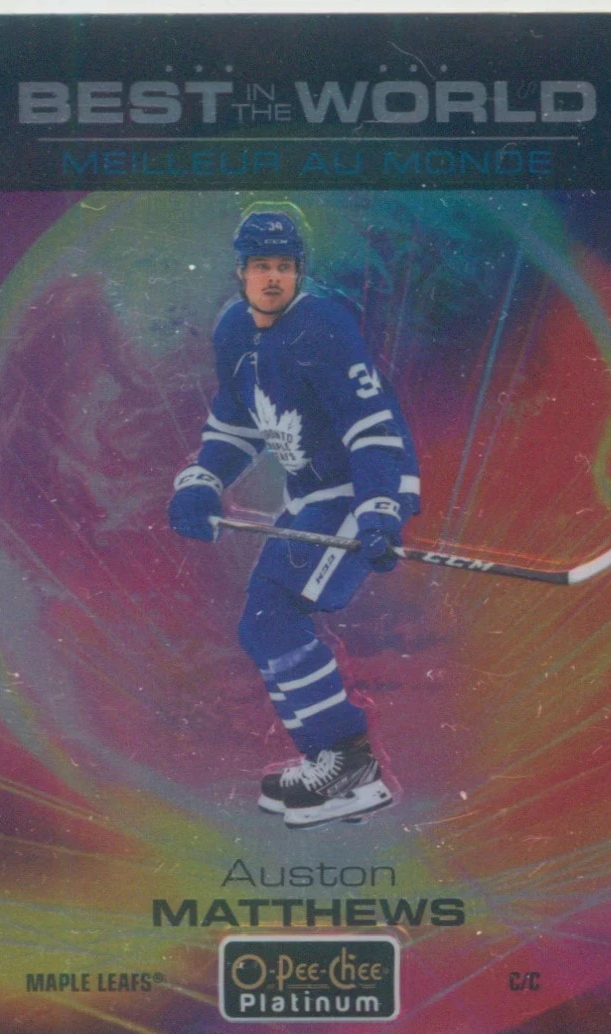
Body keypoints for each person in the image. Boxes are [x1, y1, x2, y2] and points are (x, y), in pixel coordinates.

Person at [168, 211, 420, 828]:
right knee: (262, 626)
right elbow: (235, 422)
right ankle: (333, 765)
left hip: (361, 490)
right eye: (262, 266)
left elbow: (370, 426)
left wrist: (380, 507)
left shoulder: (322, 325)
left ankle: (349, 766)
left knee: (276, 620)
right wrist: (202, 481)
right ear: (241, 271)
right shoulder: (234, 331)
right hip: (311, 497)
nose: (273, 277)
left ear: (299, 271)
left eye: (284, 266)